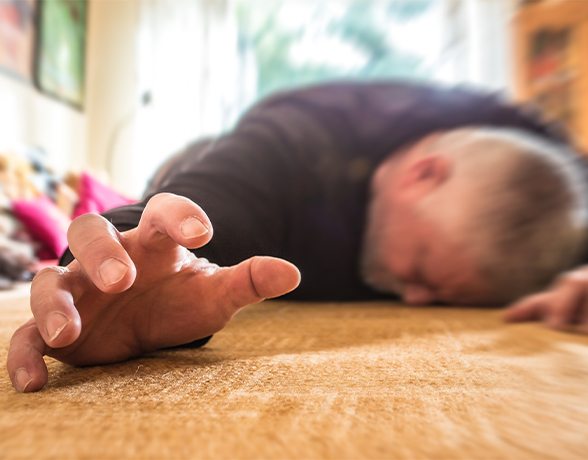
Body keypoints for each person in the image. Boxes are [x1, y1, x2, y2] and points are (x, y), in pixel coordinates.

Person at [7, 81, 588, 393]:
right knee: (173, 193)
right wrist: (113, 262)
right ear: (424, 174)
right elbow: (213, 203)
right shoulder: (302, 136)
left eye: (439, 298)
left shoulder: (546, 175)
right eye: (422, 271)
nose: (412, 302)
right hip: (206, 164)